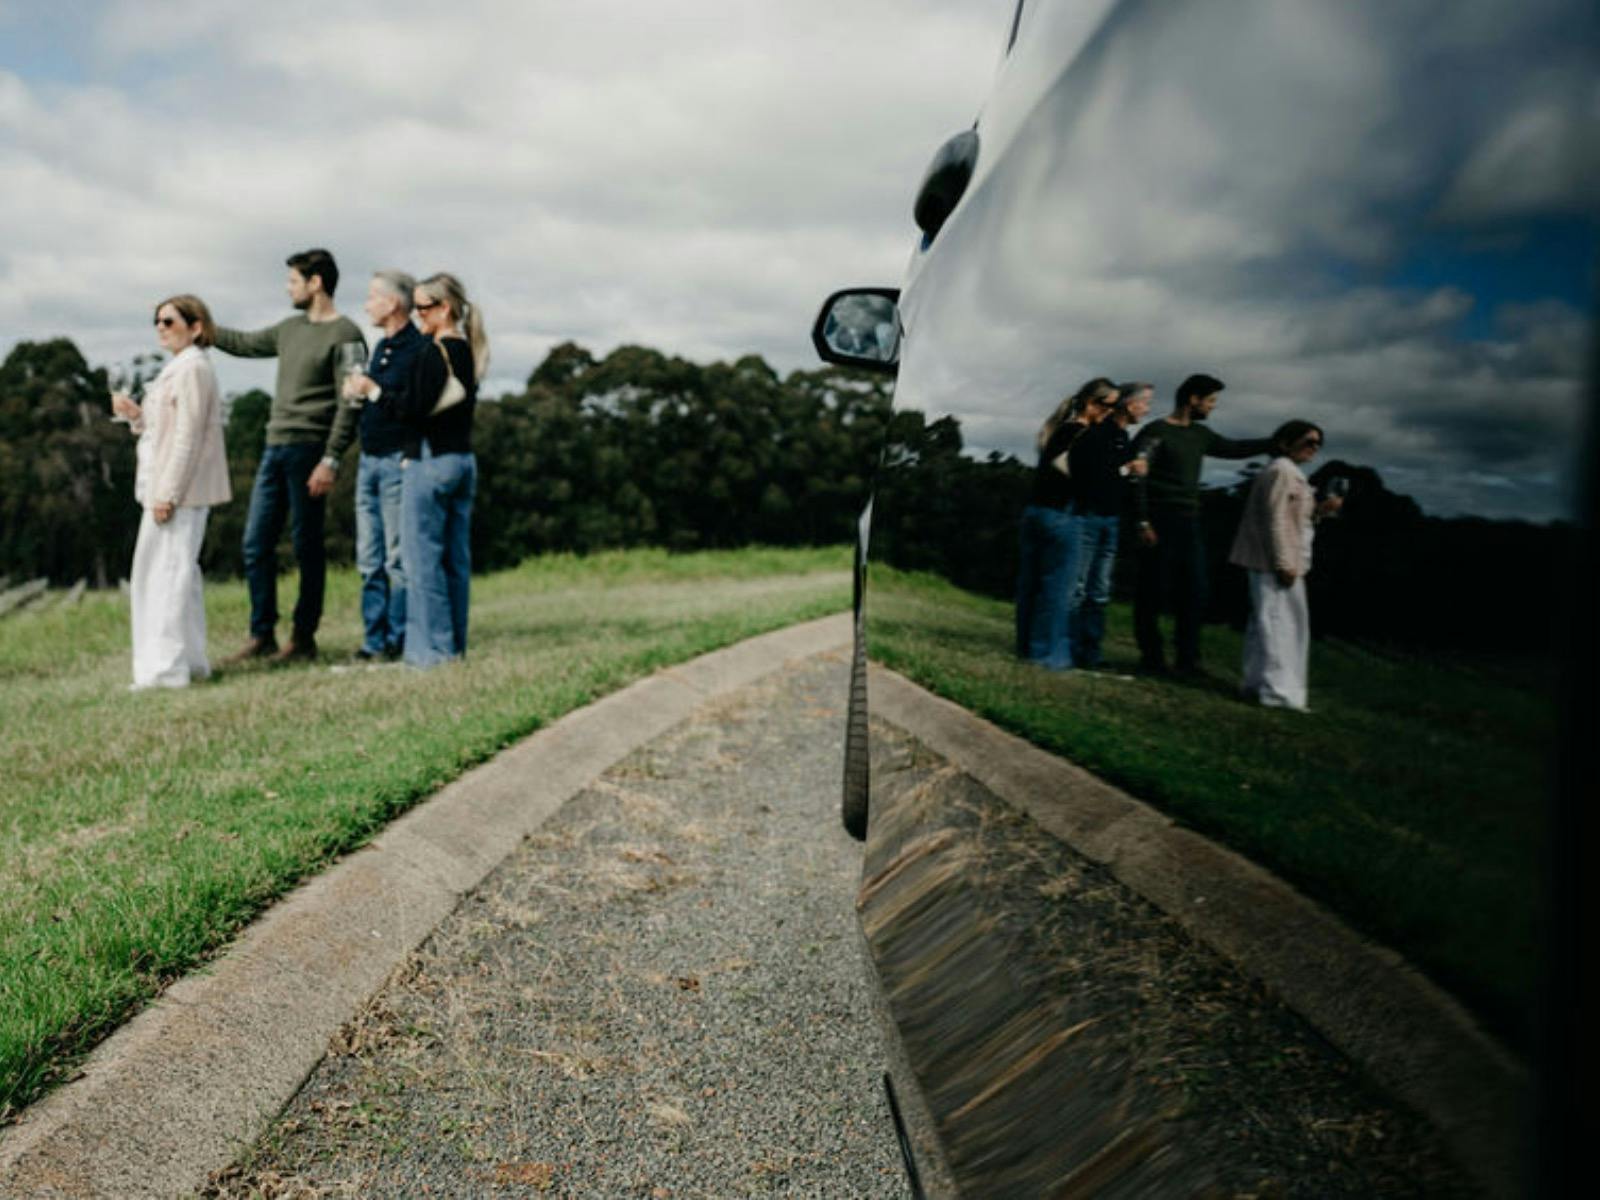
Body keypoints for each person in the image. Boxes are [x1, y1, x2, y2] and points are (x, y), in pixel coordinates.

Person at [213, 249, 366, 665]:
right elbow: (245, 344)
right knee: (255, 544)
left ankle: (302, 639)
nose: (288, 288)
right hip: (273, 447)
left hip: (310, 451)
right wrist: (204, 328)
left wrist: (331, 458)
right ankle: (261, 634)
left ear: (316, 283)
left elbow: (351, 403)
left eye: (293, 281)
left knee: (305, 546)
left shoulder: (347, 334)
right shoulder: (288, 329)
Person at [111, 296, 232, 690]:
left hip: (180, 492)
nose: (160, 327)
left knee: (164, 576)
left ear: (196, 327)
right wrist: (137, 417)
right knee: (178, 574)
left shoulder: (193, 368)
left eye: (168, 320)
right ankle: (190, 662)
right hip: (166, 487)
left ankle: (165, 669)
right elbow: (164, 430)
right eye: (157, 321)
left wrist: (168, 493)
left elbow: (188, 437)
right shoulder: (178, 369)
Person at [1128, 374, 1272, 678]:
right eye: (1210, 401)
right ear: (1192, 399)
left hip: (1189, 521)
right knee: (1152, 591)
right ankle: (1152, 658)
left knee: (1194, 590)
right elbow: (1137, 478)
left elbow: (1234, 447)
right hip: (1158, 518)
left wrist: (1274, 442)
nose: (1212, 407)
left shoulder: (1201, 435)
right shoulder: (1156, 432)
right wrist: (1142, 520)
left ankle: (1187, 661)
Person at [380, 272, 486, 668]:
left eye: (422, 307)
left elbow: (411, 409)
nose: (417, 315)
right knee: (455, 562)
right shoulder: (468, 349)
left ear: (444, 308)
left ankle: (434, 654)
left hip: (429, 461)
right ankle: (454, 647)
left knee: (422, 562)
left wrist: (374, 392)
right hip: (462, 461)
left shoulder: (433, 351)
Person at [339, 270, 428, 661]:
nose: (366, 304)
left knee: (396, 556)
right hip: (369, 459)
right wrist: (356, 392)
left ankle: (397, 638)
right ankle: (372, 640)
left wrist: (371, 388)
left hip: (396, 461)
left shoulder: (417, 349)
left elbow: (409, 407)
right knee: (368, 556)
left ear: (393, 303)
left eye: (373, 296)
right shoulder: (380, 347)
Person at [1229, 421, 1341, 710]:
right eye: (1308, 442)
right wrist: (1283, 563)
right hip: (1274, 562)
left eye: (1318, 444)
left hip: (1283, 559)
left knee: (1267, 622)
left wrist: (1319, 512)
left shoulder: (1291, 473)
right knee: (1281, 625)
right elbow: (1274, 520)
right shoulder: (1280, 471)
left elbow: (1295, 521)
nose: (1314, 448)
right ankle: (1277, 692)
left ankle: (1256, 685)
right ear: (1285, 443)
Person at [1014, 378, 1118, 670]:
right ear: (1091, 404)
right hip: (1065, 516)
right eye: (1109, 406)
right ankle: (1046, 655)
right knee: (1058, 590)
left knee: (1030, 586)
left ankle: (1026, 647)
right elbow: (1091, 484)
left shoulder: (1056, 430)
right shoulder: (1089, 437)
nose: (1111, 412)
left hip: (1035, 512)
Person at [1063, 380, 1153, 669]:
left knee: (1099, 590)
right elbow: (1093, 478)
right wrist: (1129, 468)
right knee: (1078, 588)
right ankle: (1069, 650)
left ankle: (1090, 654)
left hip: (1110, 522)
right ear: (1129, 404)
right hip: (1088, 518)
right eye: (1145, 402)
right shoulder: (1098, 434)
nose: (1147, 409)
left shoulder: (1124, 438)